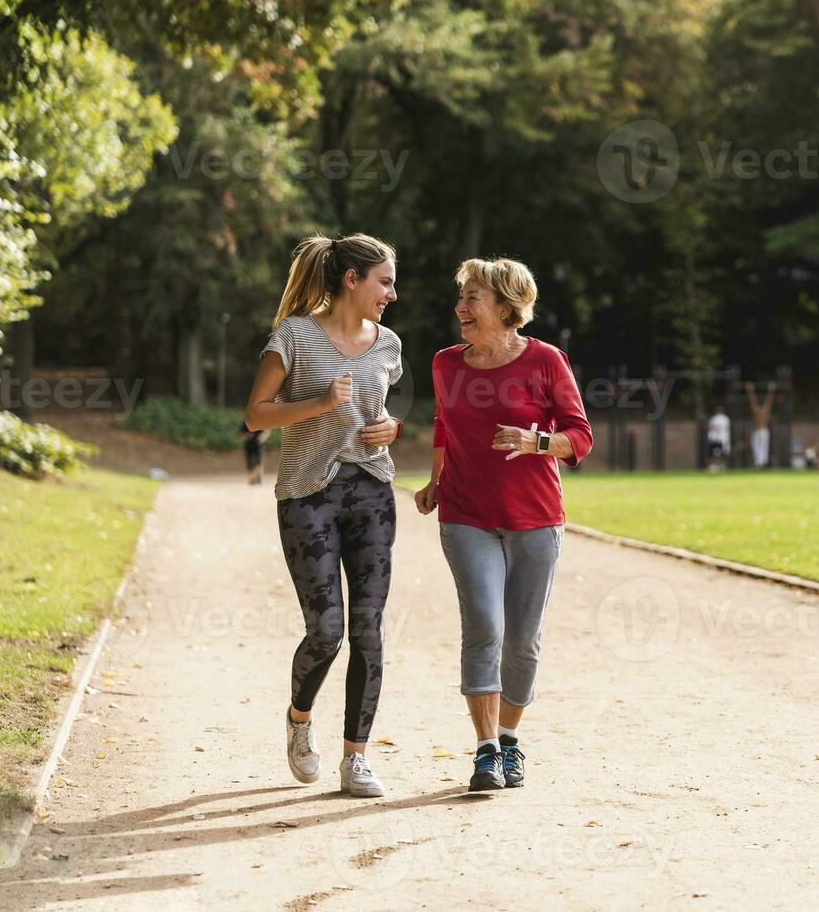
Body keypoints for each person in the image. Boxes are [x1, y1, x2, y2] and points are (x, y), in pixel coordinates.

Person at [414, 256, 592, 792]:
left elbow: (579, 437)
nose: (460, 307)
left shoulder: (546, 361)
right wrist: (435, 480)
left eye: (473, 298)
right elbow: (445, 424)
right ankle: (486, 750)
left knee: (523, 640)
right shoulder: (446, 363)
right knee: (484, 627)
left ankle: (511, 740)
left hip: (536, 518)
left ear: (506, 306)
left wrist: (537, 442)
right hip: (466, 514)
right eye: (461, 297)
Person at [244, 234, 403, 799]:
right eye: (383, 281)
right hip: (307, 493)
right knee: (327, 630)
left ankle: (355, 758)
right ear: (351, 280)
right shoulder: (294, 335)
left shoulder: (388, 343)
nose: (391, 292)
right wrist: (319, 404)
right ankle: (299, 719)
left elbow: (380, 413)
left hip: (373, 491)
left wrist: (393, 430)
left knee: (368, 628)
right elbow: (256, 414)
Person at [745, 381, 776, 469]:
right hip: (759, 431)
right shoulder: (759, 410)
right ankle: (760, 462)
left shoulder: (762, 410)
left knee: (762, 447)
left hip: (762, 431)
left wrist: (750, 390)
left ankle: (761, 462)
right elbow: (755, 401)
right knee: (756, 446)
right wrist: (750, 390)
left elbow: (767, 400)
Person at [238, 420, 269, 485]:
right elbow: (241, 434)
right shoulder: (246, 422)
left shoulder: (260, 421)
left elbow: (266, 432)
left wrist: (263, 437)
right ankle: (252, 478)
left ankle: (258, 477)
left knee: (258, 462)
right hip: (249, 445)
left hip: (258, 445)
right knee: (250, 462)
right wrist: (247, 435)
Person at [705, 405, 730, 470]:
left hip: (714, 438)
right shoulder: (726, 418)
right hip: (723, 438)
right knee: (721, 453)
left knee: (714, 453)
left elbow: (711, 428)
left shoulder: (714, 418)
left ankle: (713, 465)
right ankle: (721, 465)